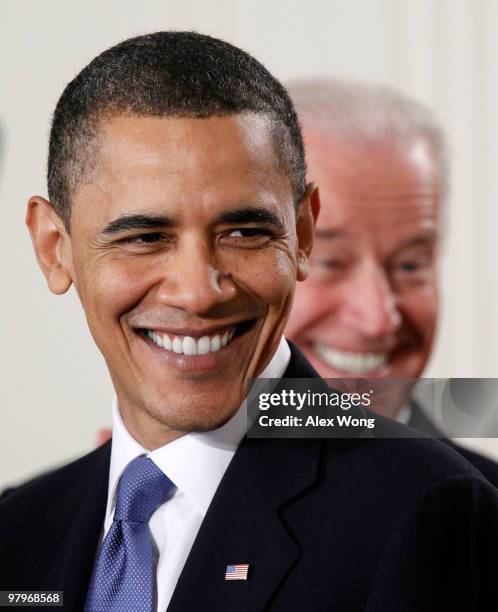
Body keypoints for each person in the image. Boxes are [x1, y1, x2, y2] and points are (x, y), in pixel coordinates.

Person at [0, 32, 497, 611]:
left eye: (245, 233)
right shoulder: (19, 528)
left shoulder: (427, 510)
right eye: (144, 238)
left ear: (302, 233)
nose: (198, 291)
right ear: (53, 248)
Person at [285, 79, 498, 486]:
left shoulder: (485, 513)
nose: (378, 319)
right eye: (330, 261)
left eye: (410, 265)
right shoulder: (141, 486)